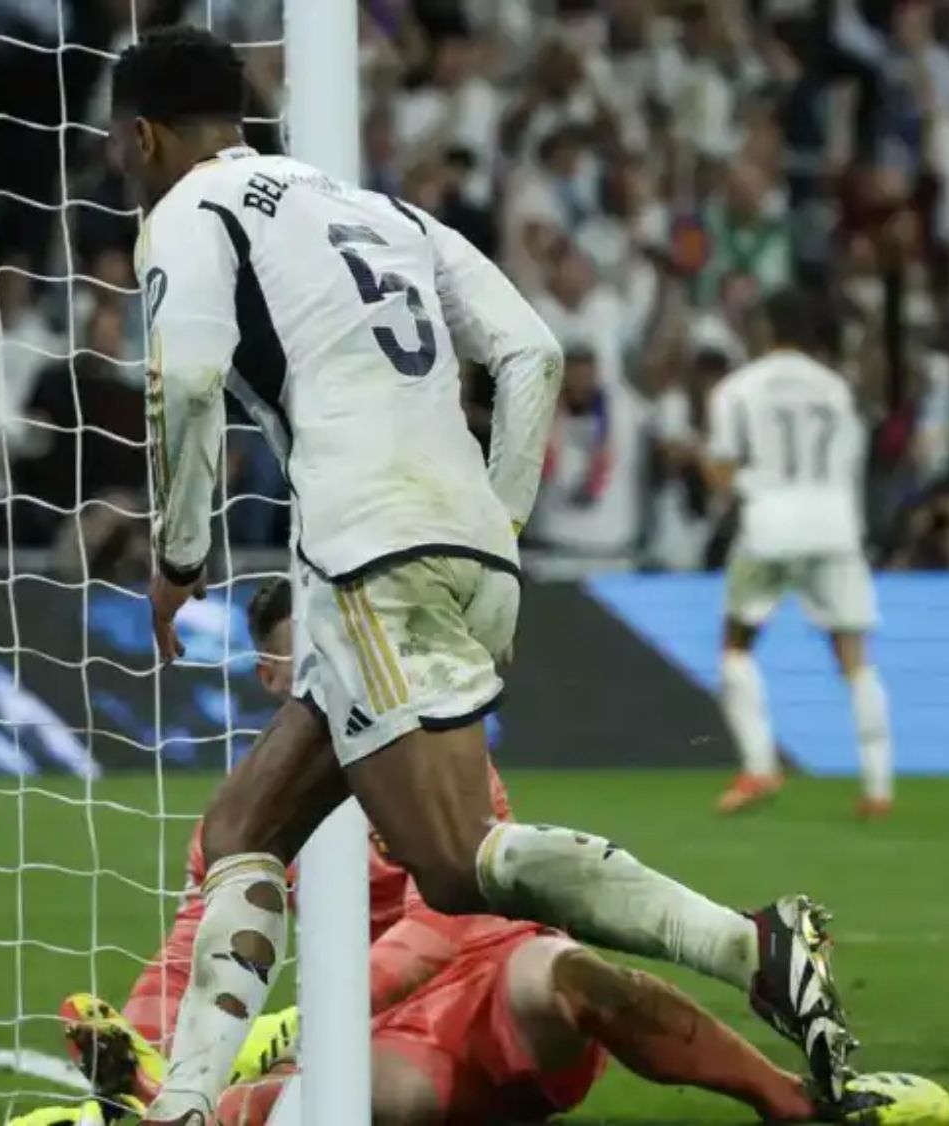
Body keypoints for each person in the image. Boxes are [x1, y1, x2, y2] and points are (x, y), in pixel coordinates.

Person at [116, 29, 856, 1124]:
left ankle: (749, 944)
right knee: (242, 832)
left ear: (139, 137)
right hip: (460, 529)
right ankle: (178, 1105)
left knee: (454, 861)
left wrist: (178, 557)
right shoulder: (382, 212)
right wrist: (496, 528)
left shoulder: (187, 212)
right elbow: (530, 353)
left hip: (368, 540)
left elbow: (183, 383)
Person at [8, 580, 949, 1126]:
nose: (332, 663)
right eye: (307, 654)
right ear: (270, 676)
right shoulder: (251, 814)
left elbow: (444, 930)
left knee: (564, 971)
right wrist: (141, 1039)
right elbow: (191, 950)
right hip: (389, 1044)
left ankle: (799, 1104)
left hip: (491, 985)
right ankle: (134, 1112)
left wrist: (289, 1024)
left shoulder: (431, 755)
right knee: (353, 1101)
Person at [705, 291, 896, 820]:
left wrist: (739, 484)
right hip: (834, 525)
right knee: (854, 657)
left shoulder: (738, 389)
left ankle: (759, 767)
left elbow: (722, 472)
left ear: (766, 330)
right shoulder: (836, 389)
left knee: (737, 646)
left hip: (769, 524)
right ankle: (878, 788)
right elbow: (854, 457)